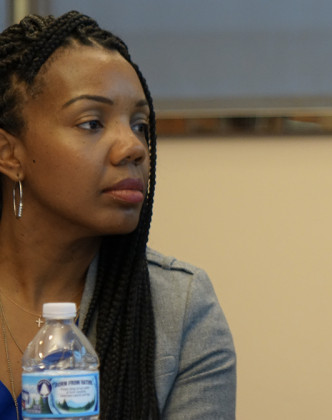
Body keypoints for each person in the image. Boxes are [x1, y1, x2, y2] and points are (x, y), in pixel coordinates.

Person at [0, 11, 236, 420]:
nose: (133, 148)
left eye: (140, 125)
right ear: (9, 154)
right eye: (92, 122)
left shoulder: (179, 310)